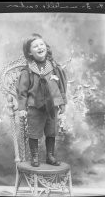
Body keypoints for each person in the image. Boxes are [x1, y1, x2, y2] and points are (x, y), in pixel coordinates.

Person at [16, 33, 67, 167]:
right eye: (35, 46)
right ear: (30, 52)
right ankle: (35, 156)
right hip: (35, 107)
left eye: (41, 44)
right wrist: (21, 108)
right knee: (34, 132)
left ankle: (50, 156)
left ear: (46, 47)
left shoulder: (54, 67)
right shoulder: (28, 70)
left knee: (51, 131)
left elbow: (61, 86)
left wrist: (62, 103)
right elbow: (22, 92)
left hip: (52, 106)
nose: (39, 47)